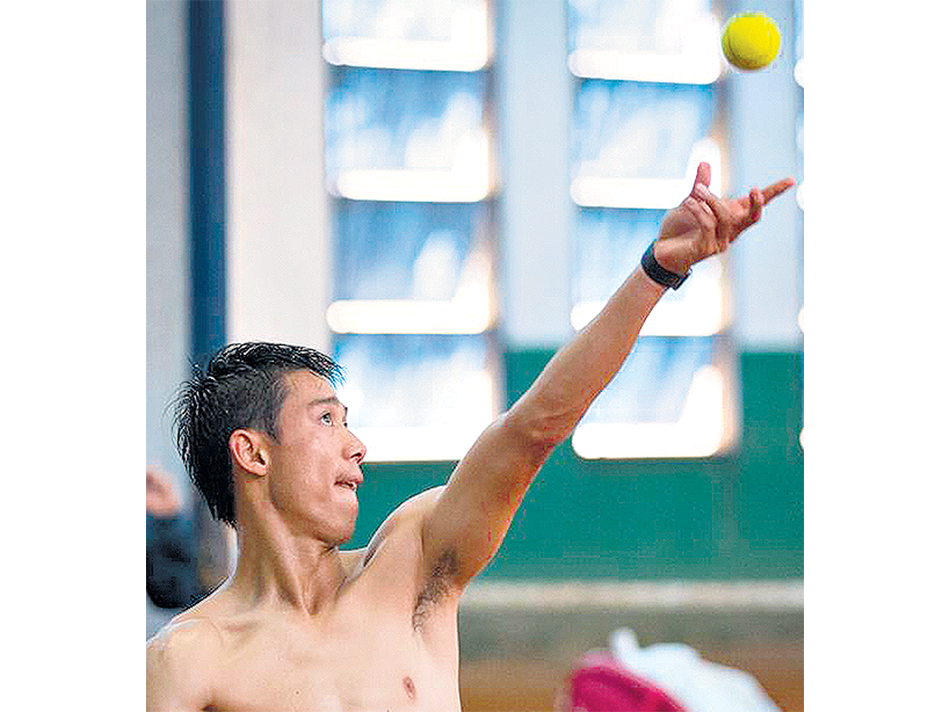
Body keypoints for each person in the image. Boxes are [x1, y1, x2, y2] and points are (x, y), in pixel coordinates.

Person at [146, 163, 794, 712]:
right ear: (253, 452)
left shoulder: (411, 562)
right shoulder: (188, 662)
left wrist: (657, 270)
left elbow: (533, 429)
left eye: (347, 421)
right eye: (325, 419)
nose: (357, 445)